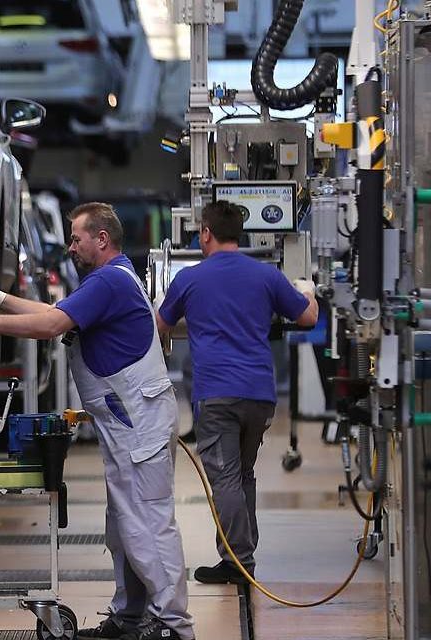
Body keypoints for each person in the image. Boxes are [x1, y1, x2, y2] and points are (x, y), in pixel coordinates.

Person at [0, 202, 194, 640]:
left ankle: (173, 626)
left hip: (138, 426)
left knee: (148, 524)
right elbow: (51, 312)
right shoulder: (110, 280)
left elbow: (50, 326)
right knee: (123, 528)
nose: (70, 246)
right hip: (129, 426)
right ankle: (130, 618)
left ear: (102, 239)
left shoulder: (108, 283)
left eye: (77, 237)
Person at [155, 201, 318, 585]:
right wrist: (307, 290)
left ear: (206, 233)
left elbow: (158, 326)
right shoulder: (265, 276)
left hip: (217, 394)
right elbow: (308, 317)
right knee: (244, 474)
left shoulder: (190, 279)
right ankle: (240, 555)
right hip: (259, 393)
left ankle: (238, 563)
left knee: (225, 479)